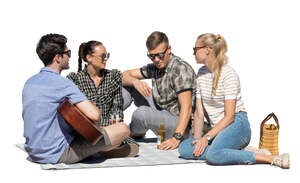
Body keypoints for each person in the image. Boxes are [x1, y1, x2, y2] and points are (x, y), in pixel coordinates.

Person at [178, 33, 290, 168]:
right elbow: (199, 114)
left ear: (207, 49)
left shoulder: (228, 74)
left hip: (237, 124)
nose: (193, 53)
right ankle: (234, 152)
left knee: (214, 156)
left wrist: (206, 138)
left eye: (195, 49)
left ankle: (270, 158)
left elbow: (230, 117)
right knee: (184, 148)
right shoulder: (201, 74)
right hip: (217, 130)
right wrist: (197, 141)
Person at [22, 34, 130, 164]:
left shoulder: (29, 82)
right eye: (68, 53)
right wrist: (90, 106)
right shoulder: (63, 83)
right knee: (123, 129)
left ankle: (99, 150)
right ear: (58, 57)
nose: (69, 57)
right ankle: (100, 150)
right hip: (57, 154)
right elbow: (95, 115)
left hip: (33, 151)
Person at [122, 31, 196, 150]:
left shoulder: (180, 69)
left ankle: (125, 134)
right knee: (128, 86)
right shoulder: (156, 66)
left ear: (169, 49)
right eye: (152, 56)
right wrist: (135, 82)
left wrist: (176, 137)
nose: (156, 59)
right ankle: (106, 120)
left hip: (181, 124)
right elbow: (124, 76)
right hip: (162, 110)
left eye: (159, 55)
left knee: (141, 114)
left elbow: (187, 108)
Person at [67, 40, 139, 157]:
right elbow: (75, 113)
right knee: (90, 135)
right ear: (89, 57)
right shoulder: (75, 79)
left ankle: (99, 149)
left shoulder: (112, 76)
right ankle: (105, 148)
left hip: (109, 127)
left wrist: (116, 119)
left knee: (133, 148)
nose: (106, 59)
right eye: (102, 56)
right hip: (88, 130)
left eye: (107, 56)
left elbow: (116, 106)